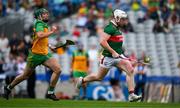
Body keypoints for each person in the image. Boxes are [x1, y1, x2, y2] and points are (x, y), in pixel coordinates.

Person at [76, 9, 142, 102]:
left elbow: (116, 45)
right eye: (123, 19)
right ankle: (82, 80)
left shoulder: (117, 28)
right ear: (117, 18)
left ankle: (131, 95)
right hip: (108, 58)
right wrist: (113, 52)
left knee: (130, 70)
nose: (124, 21)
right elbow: (102, 42)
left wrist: (121, 54)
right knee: (99, 77)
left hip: (117, 57)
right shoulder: (109, 28)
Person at [3, 8, 61, 101]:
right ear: (39, 16)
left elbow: (42, 40)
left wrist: (50, 45)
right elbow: (40, 35)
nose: (47, 15)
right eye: (44, 14)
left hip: (45, 54)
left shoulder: (44, 24)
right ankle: (9, 87)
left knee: (58, 69)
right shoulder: (39, 24)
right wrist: (52, 32)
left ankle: (50, 92)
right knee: (25, 76)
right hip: (35, 55)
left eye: (47, 13)